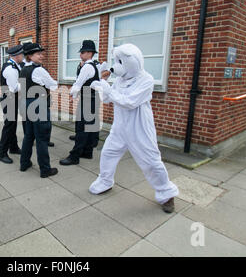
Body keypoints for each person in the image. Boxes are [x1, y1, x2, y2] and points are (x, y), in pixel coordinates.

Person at [89, 43, 179, 213]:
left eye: (121, 62)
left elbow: (130, 102)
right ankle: (105, 181)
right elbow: (109, 100)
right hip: (120, 126)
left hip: (139, 127)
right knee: (108, 153)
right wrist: (102, 85)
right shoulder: (121, 80)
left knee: (151, 161)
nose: (117, 67)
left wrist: (109, 90)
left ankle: (166, 193)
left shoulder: (147, 79)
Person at [19, 43, 58, 178]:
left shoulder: (23, 69)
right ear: (30, 56)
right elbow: (53, 84)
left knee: (29, 136)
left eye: (41, 53)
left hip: (27, 104)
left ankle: (24, 163)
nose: (42, 56)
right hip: (38, 105)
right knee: (42, 138)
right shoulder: (39, 70)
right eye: (38, 54)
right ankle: (45, 169)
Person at [60, 40, 101, 166]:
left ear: (90, 53)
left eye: (83, 52)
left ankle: (75, 156)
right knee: (89, 126)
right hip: (92, 99)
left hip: (88, 99)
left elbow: (78, 83)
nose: (80, 54)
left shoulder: (87, 66)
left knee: (82, 128)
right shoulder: (94, 65)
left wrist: (72, 95)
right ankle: (87, 152)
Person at [0, 45, 25, 164]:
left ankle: (13, 147)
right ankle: (2, 153)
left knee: (13, 125)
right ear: (17, 56)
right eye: (22, 55)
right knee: (8, 126)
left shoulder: (15, 66)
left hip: (11, 99)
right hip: (9, 99)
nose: (23, 57)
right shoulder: (11, 69)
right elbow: (14, 88)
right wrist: (26, 83)